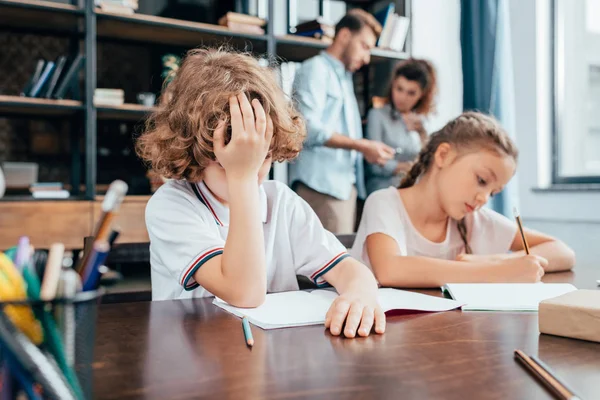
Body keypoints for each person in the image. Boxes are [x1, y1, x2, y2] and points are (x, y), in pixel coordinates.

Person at [136, 48, 385, 338]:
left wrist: (360, 294)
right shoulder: (171, 205)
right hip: (196, 363)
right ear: (193, 153)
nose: (251, 174)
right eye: (227, 163)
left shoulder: (281, 201)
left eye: (261, 158)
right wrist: (241, 178)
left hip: (270, 358)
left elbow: (350, 270)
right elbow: (244, 292)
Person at [351, 112, 575, 288]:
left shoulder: (473, 219)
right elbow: (391, 269)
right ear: (443, 155)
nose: (484, 198)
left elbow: (563, 252)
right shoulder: (384, 203)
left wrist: (497, 261)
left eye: (493, 193)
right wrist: (499, 271)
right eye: (481, 180)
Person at [290, 9, 395, 234]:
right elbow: (306, 127)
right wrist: (362, 145)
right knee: (326, 267)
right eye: (364, 46)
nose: (366, 58)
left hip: (345, 188)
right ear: (344, 35)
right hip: (322, 188)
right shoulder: (315, 69)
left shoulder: (344, 77)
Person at [365, 59, 438, 195]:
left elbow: (431, 164)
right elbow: (374, 166)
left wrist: (422, 133)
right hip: (383, 190)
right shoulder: (377, 115)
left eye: (411, 93)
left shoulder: (424, 122)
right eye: (399, 89)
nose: (402, 97)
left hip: (414, 192)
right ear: (392, 86)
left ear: (421, 95)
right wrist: (405, 167)